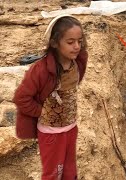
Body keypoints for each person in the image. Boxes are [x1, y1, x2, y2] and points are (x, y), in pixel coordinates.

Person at [13, 14, 88, 179]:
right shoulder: (41, 70)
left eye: (79, 41)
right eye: (70, 42)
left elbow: (75, 81)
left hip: (70, 128)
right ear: (54, 43)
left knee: (69, 172)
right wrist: (42, 112)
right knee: (54, 173)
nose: (76, 46)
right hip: (51, 134)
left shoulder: (77, 62)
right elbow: (21, 98)